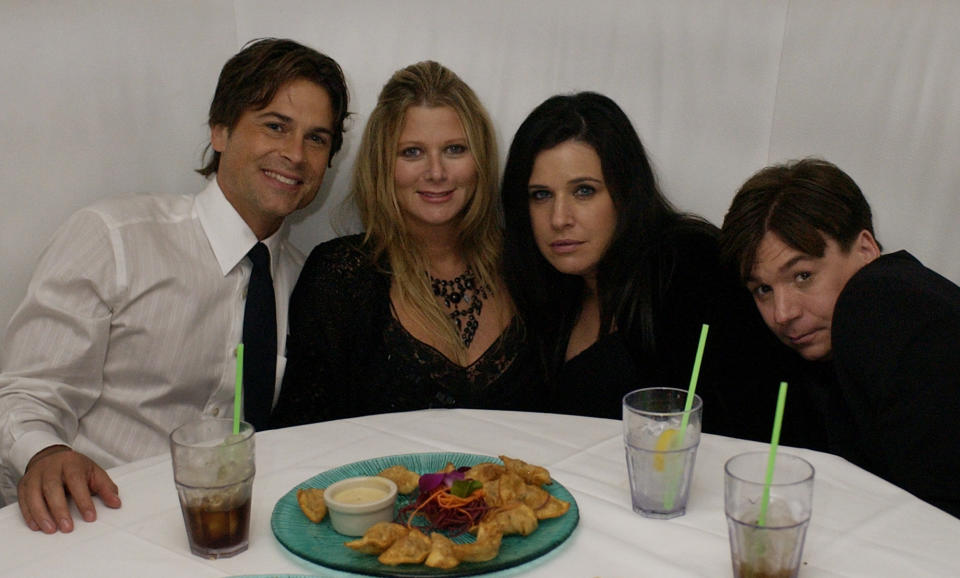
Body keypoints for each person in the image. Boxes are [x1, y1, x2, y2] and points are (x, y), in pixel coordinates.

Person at [0, 38, 349, 532]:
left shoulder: (309, 282)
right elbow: (25, 394)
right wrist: (47, 452)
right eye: (275, 126)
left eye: (316, 139)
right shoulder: (114, 237)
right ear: (221, 130)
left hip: (229, 534)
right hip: (90, 525)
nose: (294, 154)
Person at [500, 92, 786, 437]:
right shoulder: (546, 287)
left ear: (626, 192)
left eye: (584, 191)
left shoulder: (688, 267)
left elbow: (749, 424)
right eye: (541, 195)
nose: (559, 218)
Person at [271, 61, 537, 426]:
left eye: (455, 149)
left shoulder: (527, 262)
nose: (436, 172)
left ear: (481, 159)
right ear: (382, 165)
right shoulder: (340, 274)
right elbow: (299, 435)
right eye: (412, 152)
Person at [719, 157, 960, 517]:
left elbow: (938, 520)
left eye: (803, 275)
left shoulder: (883, 300)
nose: (783, 314)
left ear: (865, 250)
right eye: (763, 289)